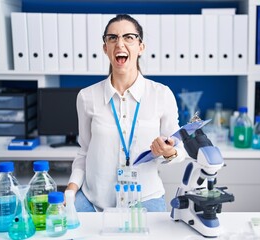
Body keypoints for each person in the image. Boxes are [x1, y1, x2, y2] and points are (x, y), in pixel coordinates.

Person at [65, 14, 186, 212]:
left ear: (141, 47)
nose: (120, 43)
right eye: (112, 38)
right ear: (105, 48)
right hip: (93, 200)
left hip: (146, 198)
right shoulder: (86, 97)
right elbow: (84, 152)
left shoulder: (161, 94)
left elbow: (179, 148)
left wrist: (169, 152)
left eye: (129, 37)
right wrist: (71, 189)